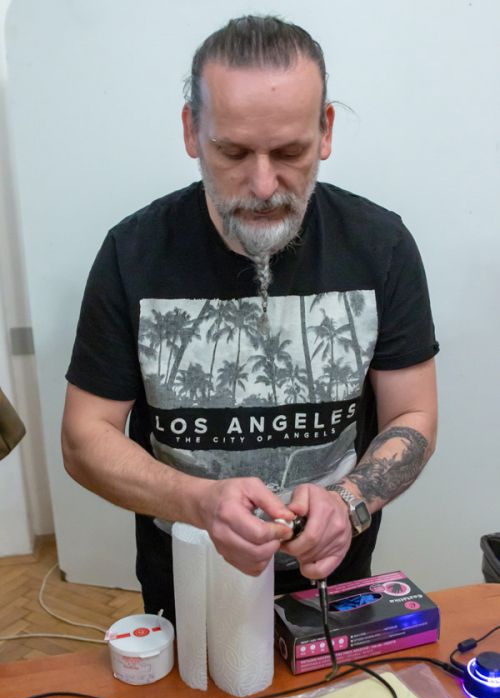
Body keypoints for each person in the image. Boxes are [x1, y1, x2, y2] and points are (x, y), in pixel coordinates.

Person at [62, 15, 438, 624]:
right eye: (233, 152)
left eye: (289, 152)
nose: (263, 185)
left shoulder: (382, 246)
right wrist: (200, 501)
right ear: (192, 130)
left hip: (331, 584)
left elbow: (412, 415)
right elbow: (84, 438)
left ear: (325, 131)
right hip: (187, 581)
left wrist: (350, 501)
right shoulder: (132, 253)